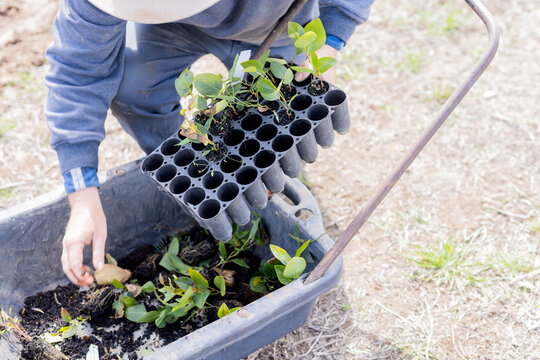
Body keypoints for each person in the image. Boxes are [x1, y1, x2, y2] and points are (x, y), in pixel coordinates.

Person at [46, 0, 374, 286]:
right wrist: (82, 195)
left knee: (262, 126)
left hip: (277, 19)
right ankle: (200, 173)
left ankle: (257, 188)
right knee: (136, 89)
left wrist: (331, 38)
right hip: (178, 27)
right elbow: (77, 71)